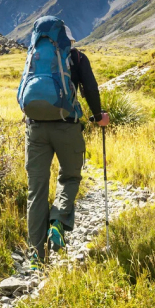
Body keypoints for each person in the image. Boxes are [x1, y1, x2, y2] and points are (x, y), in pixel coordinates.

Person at [22, 22, 109, 268]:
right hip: (67, 126)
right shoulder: (77, 57)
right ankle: (58, 222)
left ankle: (36, 257)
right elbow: (90, 88)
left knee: (36, 191)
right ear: (67, 38)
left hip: (35, 128)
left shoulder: (34, 56)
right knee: (70, 177)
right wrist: (97, 116)